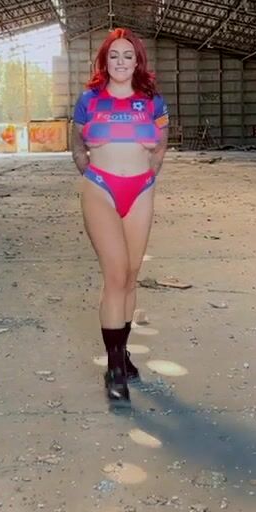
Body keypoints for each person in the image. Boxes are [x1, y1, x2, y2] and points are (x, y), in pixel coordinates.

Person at [71, 29, 169, 402]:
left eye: (128, 55)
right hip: (101, 189)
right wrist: (89, 171)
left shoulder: (152, 101)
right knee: (114, 275)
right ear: (105, 61)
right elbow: (76, 142)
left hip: (140, 191)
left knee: (130, 276)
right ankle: (114, 369)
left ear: (137, 61)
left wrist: (149, 174)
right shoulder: (90, 99)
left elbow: (161, 145)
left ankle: (123, 354)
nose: (121, 62)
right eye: (114, 55)